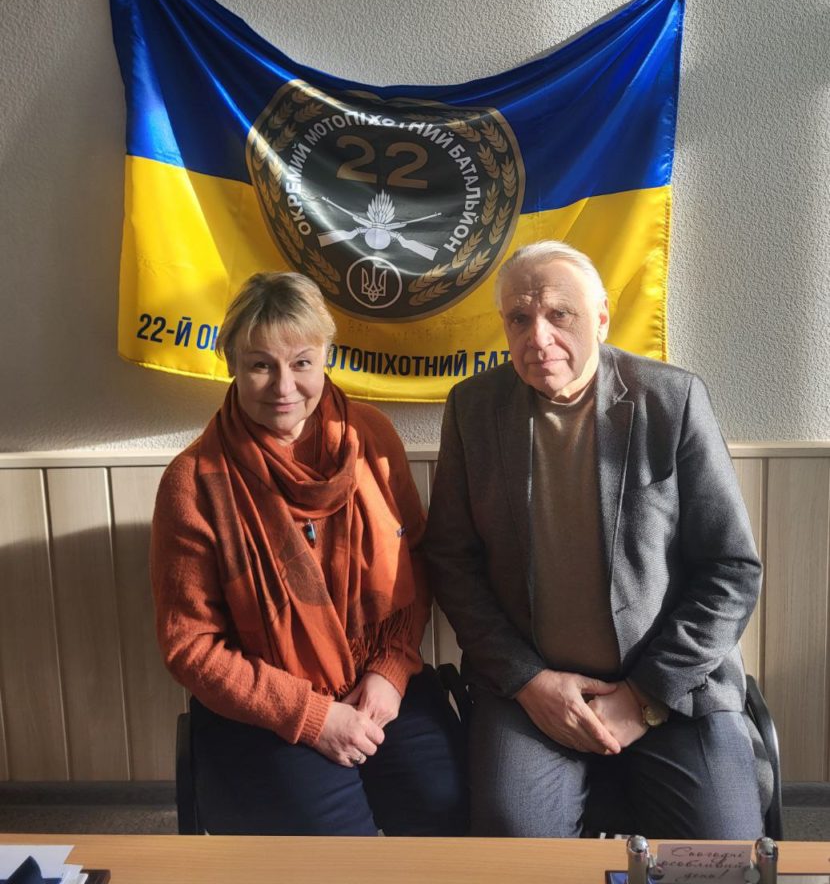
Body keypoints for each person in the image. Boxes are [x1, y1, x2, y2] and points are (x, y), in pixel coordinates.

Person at [423, 240, 763, 839]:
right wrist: (528, 681)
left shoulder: (672, 399)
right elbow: (452, 561)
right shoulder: (473, 409)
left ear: (601, 318)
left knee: (725, 853)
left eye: (560, 314)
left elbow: (732, 569)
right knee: (513, 847)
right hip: (532, 692)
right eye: (519, 318)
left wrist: (644, 696)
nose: (539, 337)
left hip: (673, 685)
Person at [151, 271, 467, 836]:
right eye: (260, 364)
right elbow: (191, 646)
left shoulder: (372, 436)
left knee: (449, 808)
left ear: (326, 358)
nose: (283, 386)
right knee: (334, 851)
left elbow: (415, 559)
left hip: (379, 677)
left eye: (301, 362)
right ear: (231, 363)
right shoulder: (193, 480)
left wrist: (392, 670)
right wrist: (312, 716)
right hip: (266, 706)